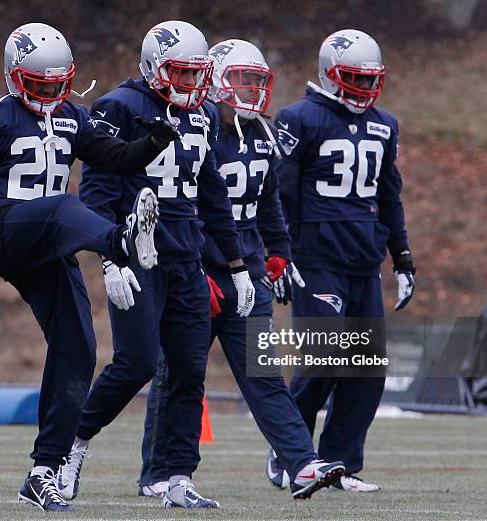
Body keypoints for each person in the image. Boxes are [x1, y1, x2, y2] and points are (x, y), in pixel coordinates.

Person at [0, 22, 179, 512]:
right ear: (14, 76)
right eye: (40, 85)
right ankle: (120, 242)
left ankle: (42, 471)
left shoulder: (73, 115)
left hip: (50, 243)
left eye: (58, 84)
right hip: (6, 232)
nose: (51, 95)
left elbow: (113, 159)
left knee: (78, 350)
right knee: (62, 204)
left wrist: (156, 139)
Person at [56, 21, 255, 509]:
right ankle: (69, 447)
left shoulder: (205, 114)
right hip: (136, 256)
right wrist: (109, 259)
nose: (191, 85)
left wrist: (237, 265)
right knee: (136, 363)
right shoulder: (121, 107)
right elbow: (99, 193)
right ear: (152, 67)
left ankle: (178, 476)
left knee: (189, 371)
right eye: (180, 74)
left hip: (187, 258)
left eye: (197, 75)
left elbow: (212, 197)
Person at [136, 39, 346, 501]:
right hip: (200, 269)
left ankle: (302, 463)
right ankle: (156, 473)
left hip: (247, 274)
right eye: (241, 79)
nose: (251, 90)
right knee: (177, 373)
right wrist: (191, 265)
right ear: (214, 81)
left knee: (263, 372)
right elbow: (182, 205)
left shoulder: (264, 135)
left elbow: (269, 202)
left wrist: (279, 253)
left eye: (257, 80)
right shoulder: (198, 130)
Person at [266, 29, 416, 492]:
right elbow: (278, 194)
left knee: (367, 371)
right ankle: (290, 453)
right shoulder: (298, 119)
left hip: (362, 259)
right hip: (315, 259)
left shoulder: (385, 124)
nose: (365, 89)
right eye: (354, 78)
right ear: (329, 74)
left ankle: (339, 465)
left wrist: (403, 258)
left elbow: (390, 198)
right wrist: (279, 253)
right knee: (322, 359)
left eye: (371, 80)